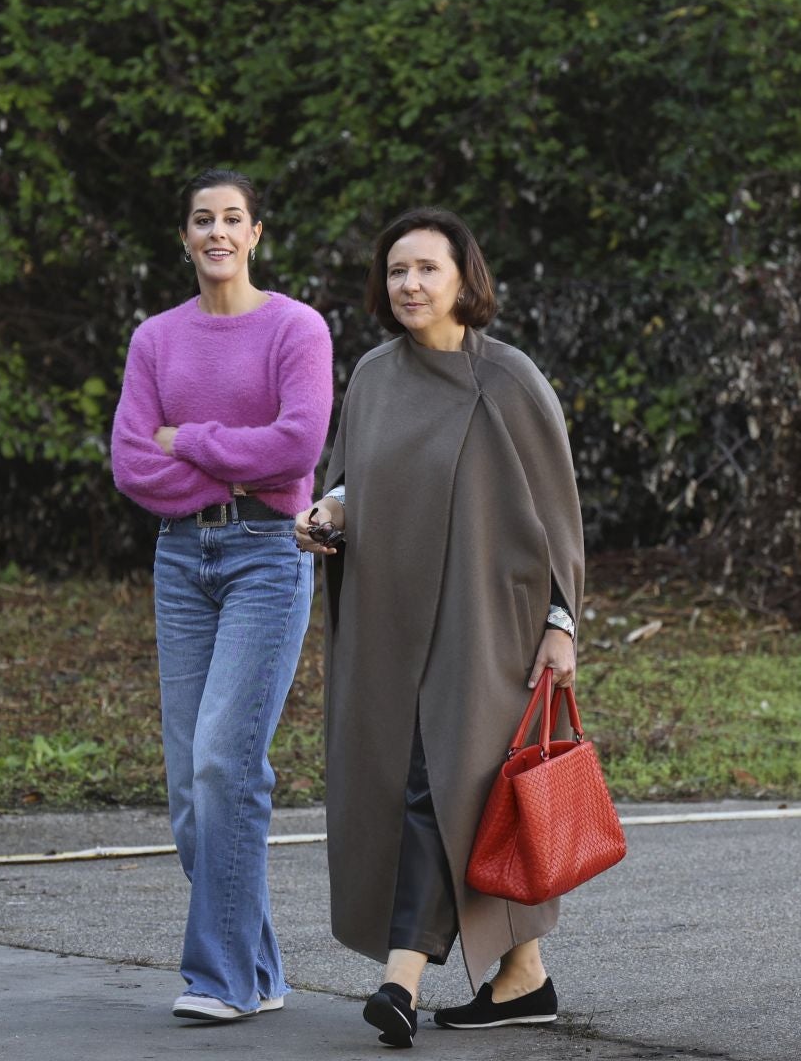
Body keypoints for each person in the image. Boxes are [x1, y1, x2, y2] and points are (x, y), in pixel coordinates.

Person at [294, 207, 587, 1047]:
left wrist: (562, 626)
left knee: (443, 783)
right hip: (393, 624)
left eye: (426, 268)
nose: (409, 284)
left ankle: (402, 979)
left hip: (491, 624)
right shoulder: (376, 379)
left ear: (465, 279)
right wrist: (327, 512)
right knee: (442, 792)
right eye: (396, 272)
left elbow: (561, 523)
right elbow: (359, 486)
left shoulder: (511, 379)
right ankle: (524, 975)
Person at [110, 169, 334, 1022]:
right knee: (187, 785)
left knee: (223, 762)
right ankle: (264, 969)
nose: (217, 232)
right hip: (181, 559)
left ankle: (221, 979)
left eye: (232, 219)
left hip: (268, 558)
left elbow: (298, 447)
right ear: (185, 237)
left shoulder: (295, 328)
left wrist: (190, 439)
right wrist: (226, 455)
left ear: (256, 234)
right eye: (202, 219)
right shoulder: (156, 339)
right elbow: (134, 463)